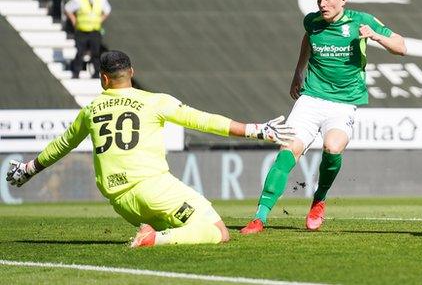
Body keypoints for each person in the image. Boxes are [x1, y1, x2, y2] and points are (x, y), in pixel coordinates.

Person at [6, 50, 295, 247]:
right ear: (131, 72)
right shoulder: (154, 101)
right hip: (154, 189)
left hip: (123, 202)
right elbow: (203, 120)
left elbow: (62, 144)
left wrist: (29, 169)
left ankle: (153, 233)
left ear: (104, 78)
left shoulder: (91, 109)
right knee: (217, 231)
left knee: (182, 229)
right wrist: (256, 130)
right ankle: (154, 239)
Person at [240, 0, 407, 234]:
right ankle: (259, 217)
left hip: (343, 103)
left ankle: (319, 199)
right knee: (288, 151)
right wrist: (298, 72)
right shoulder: (312, 21)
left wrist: (375, 36)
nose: (323, 4)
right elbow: (308, 39)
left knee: (333, 147)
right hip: (311, 99)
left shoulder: (362, 21)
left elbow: (401, 46)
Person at [64, 0, 111, 79]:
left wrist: (100, 20)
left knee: (96, 53)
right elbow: (68, 8)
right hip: (81, 30)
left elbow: (107, 11)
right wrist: (73, 20)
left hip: (95, 30)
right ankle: (76, 72)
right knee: (80, 52)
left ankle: (96, 73)